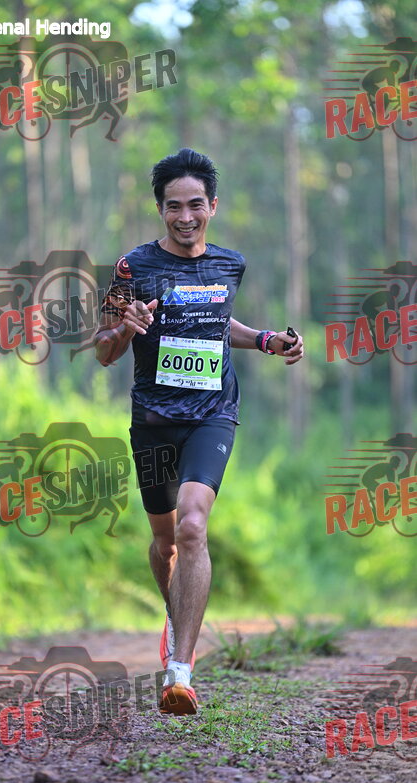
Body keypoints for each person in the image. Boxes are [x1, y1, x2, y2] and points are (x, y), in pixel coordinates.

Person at [94, 148, 304, 715]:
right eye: (173, 207)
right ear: (159, 209)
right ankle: (176, 615)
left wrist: (267, 340)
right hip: (153, 421)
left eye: (194, 205)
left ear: (213, 205)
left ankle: (180, 673)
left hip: (213, 413)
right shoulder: (131, 268)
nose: (184, 217)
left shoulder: (230, 265)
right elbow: (103, 350)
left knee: (192, 525)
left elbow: (216, 324)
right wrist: (126, 328)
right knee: (165, 542)